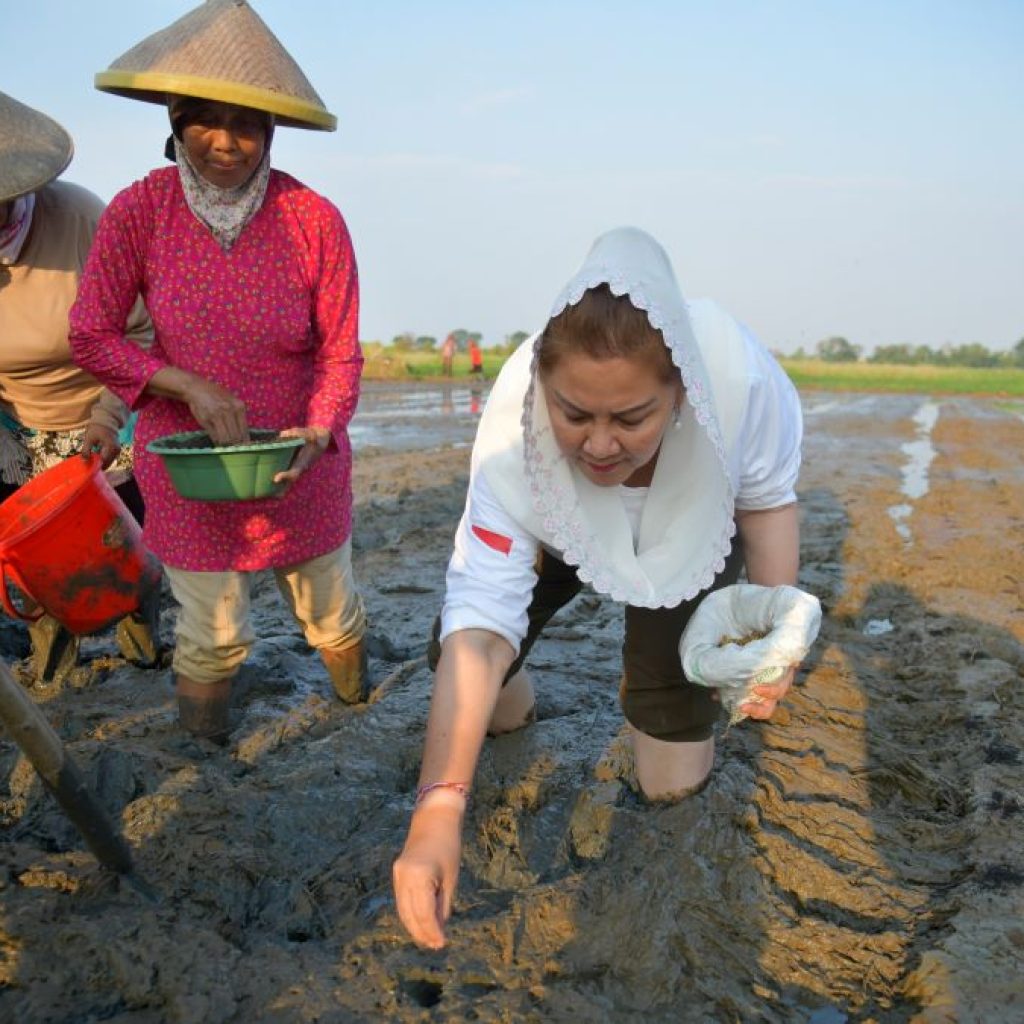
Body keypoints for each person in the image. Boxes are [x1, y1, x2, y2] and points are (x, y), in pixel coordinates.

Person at [393, 226, 806, 948]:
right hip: (561, 526)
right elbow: (483, 623)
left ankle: (671, 721)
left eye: (632, 417)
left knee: (669, 776)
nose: (601, 445)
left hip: (683, 535)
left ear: (680, 392)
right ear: (541, 386)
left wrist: (770, 644)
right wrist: (438, 809)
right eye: (575, 414)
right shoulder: (509, 433)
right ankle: (512, 717)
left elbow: (766, 502)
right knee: (465, 679)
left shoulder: (739, 381)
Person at [69, 0, 367, 743]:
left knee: (330, 615)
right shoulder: (140, 212)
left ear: (271, 132)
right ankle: (202, 757)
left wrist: (321, 428)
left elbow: (340, 352)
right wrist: (185, 385)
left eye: (247, 125)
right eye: (204, 120)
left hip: (298, 463)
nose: (226, 143)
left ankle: (360, 709)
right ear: (173, 119)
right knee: (211, 634)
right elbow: (92, 334)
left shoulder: (312, 219)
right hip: (188, 465)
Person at [0, 89, 158, 685]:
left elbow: (140, 334)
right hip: (15, 422)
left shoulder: (82, 220)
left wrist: (108, 417)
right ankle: (51, 643)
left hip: (103, 400)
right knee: (35, 555)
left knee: (118, 543)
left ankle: (140, 623)